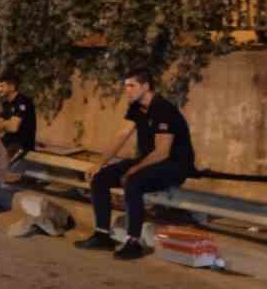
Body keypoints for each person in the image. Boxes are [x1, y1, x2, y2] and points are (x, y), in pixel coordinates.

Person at [75, 68, 195, 261]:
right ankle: (102, 235)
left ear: (146, 86)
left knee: (133, 181)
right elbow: (122, 135)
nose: (127, 91)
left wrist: (135, 169)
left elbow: (162, 151)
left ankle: (133, 242)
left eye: (132, 86)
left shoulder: (163, 109)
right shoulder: (136, 107)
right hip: (150, 161)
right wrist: (100, 163)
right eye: (126, 86)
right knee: (100, 178)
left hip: (174, 165)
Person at [0, 75, 37, 164]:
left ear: (12, 87)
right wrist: (7, 124)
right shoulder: (6, 103)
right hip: (8, 141)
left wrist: (4, 124)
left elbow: (13, 128)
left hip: (21, 144)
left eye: (2, 86)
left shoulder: (22, 101)